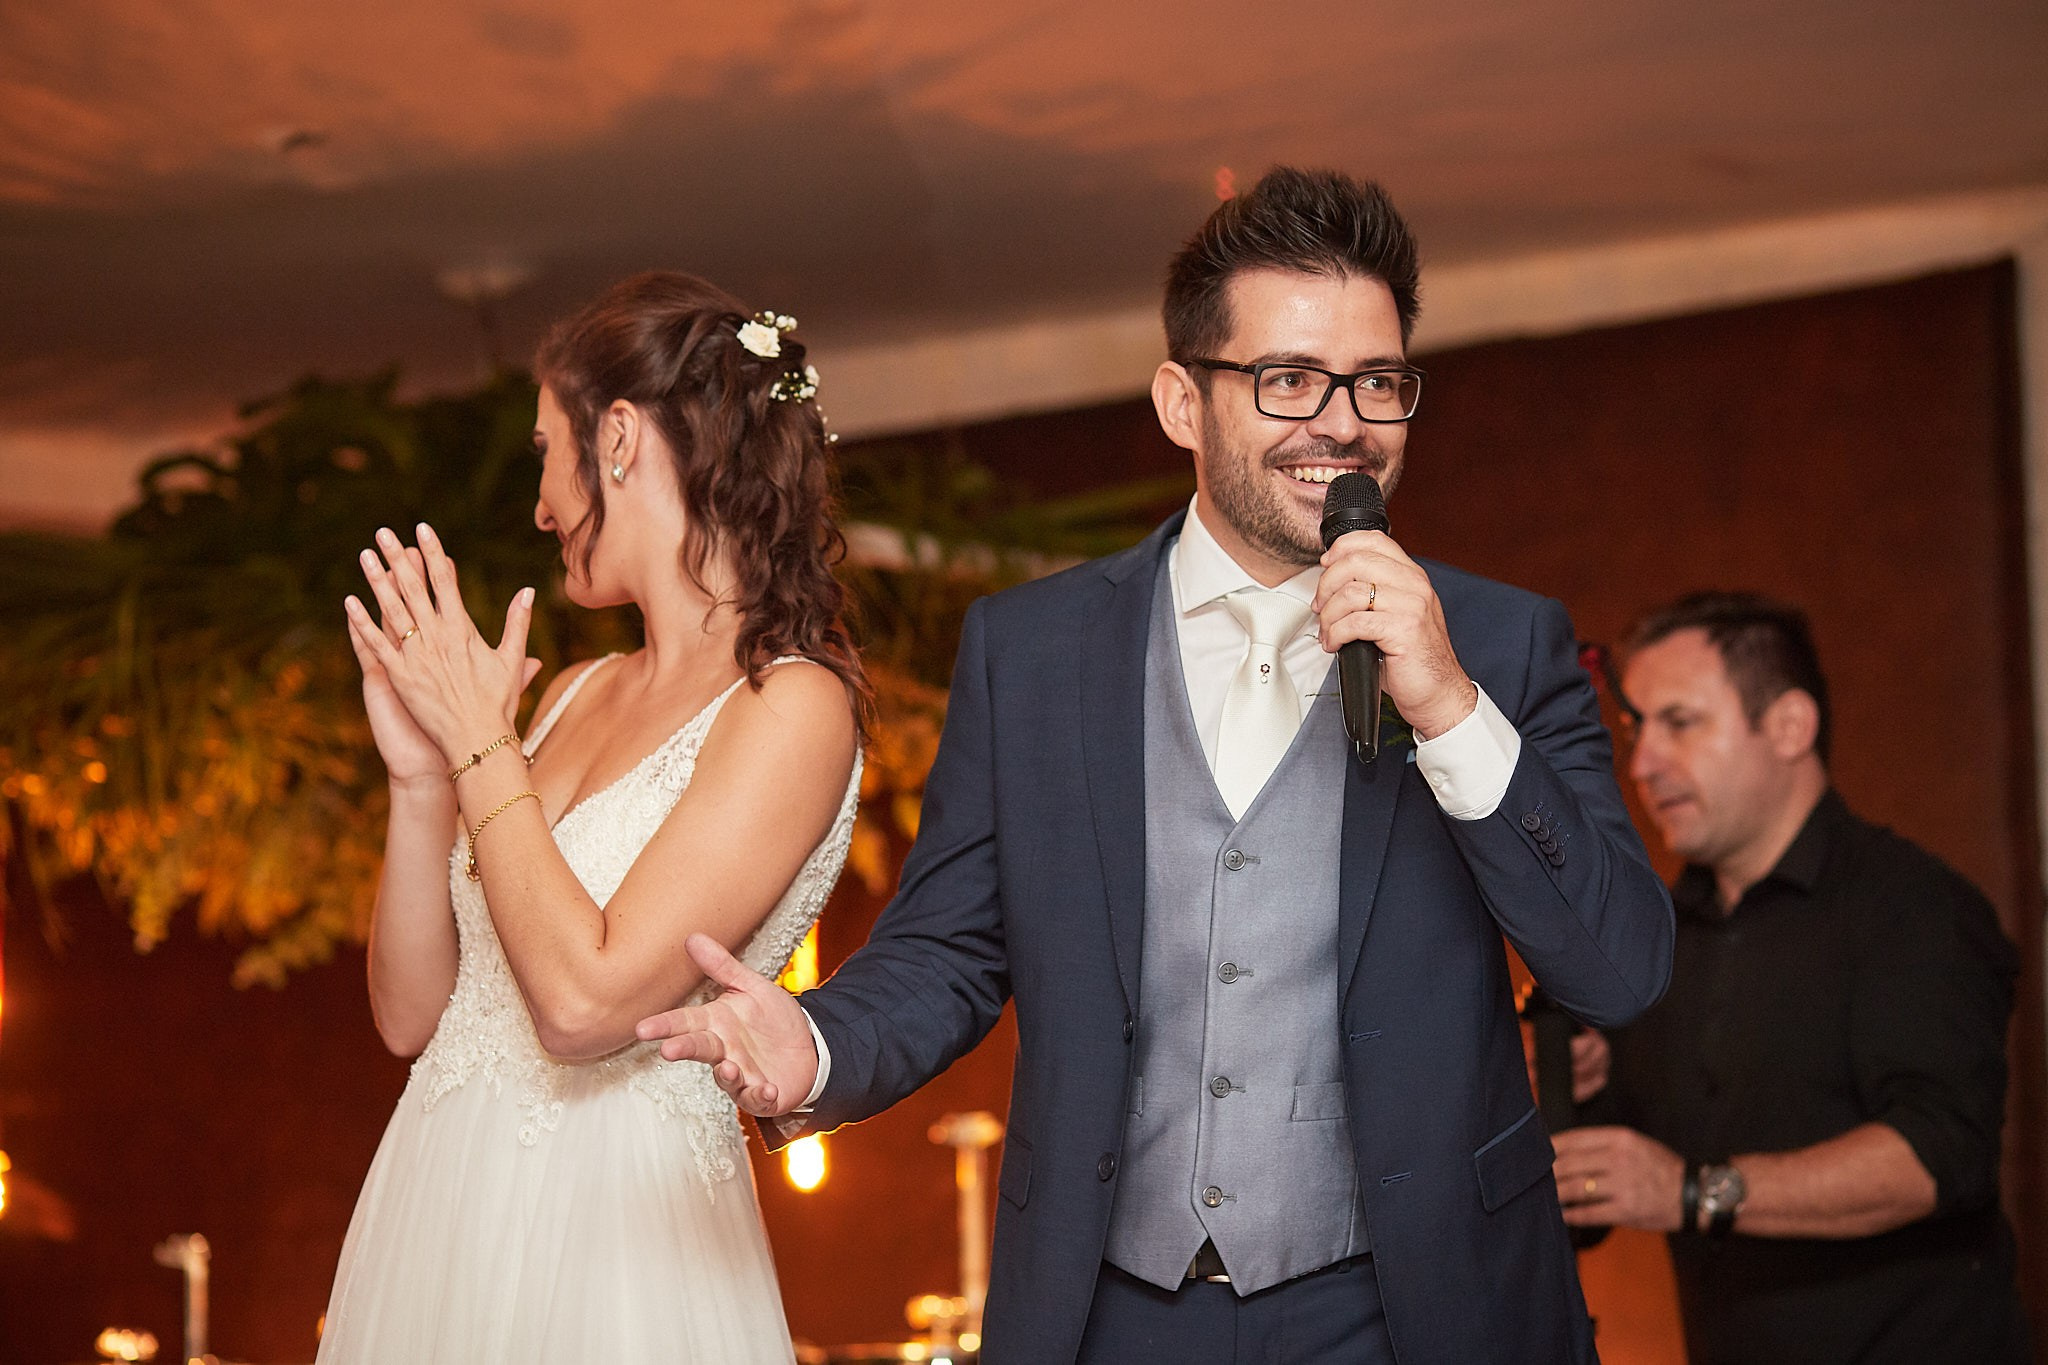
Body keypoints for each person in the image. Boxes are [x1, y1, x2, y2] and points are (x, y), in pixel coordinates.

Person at [637, 167, 1674, 1365]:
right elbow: (952, 945)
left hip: (1411, 1307)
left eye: (1377, 383)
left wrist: (1447, 707)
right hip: (1109, 1309)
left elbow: (1621, 968)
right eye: (1287, 380)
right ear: (1181, 403)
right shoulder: (1029, 652)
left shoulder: (1499, 643)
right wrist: (812, 1045)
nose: (1341, 423)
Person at [316, 272, 865, 1362]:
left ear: (616, 438)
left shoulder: (791, 706)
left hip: (615, 1253)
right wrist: (423, 783)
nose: (539, 502)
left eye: (543, 452)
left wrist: (479, 741)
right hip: (434, 1222)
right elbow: (414, 1019)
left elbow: (581, 1005)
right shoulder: (570, 693)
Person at [1551, 591, 2031, 1364]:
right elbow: (1596, 1199)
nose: (1641, 763)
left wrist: (1691, 1191)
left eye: (1681, 721)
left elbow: (1939, 1157)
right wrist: (1574, 1086)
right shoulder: (1658, 934)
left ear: (1788, 727)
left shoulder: (1912, 905)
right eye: (1638, 729)